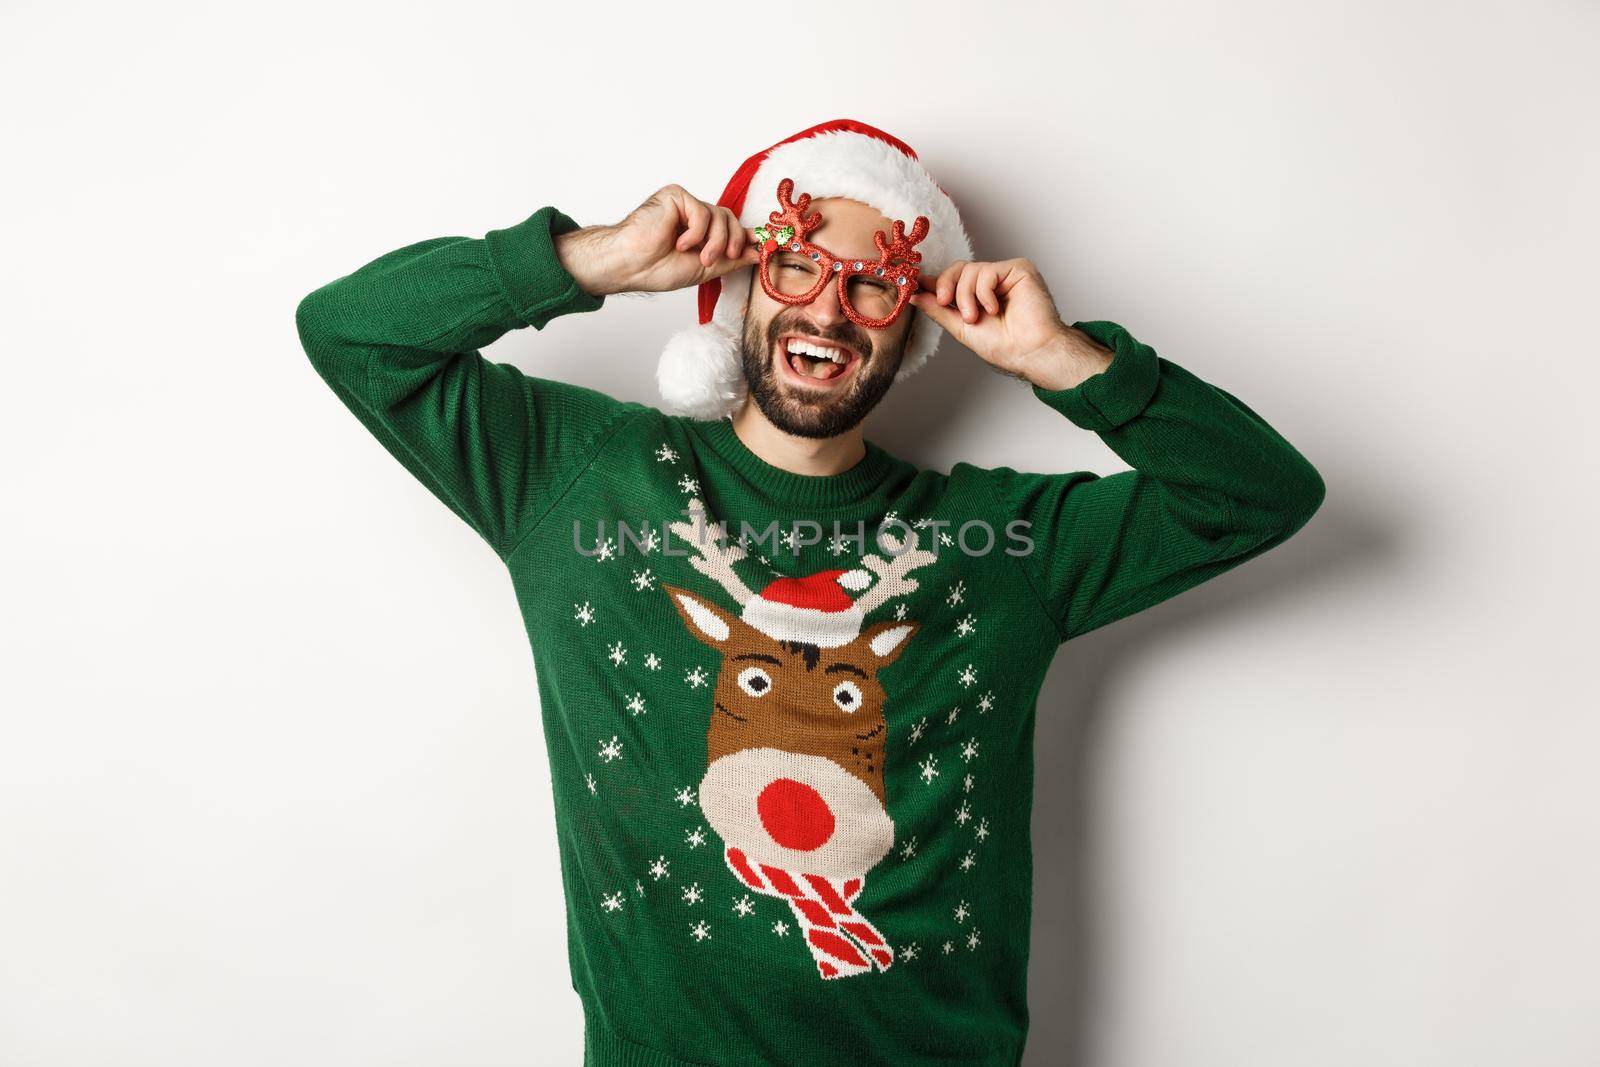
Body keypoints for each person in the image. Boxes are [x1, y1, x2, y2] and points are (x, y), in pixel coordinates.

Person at [296, 118, 1324, 1067]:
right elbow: (349, 332)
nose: (827, 308)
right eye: (796, 265)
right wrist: (593, 258)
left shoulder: (1006, 541)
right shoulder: (578, 478)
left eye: (873, 284)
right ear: (749, 282)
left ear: (911, 320)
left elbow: (1260, 493)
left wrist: (1062, 361)